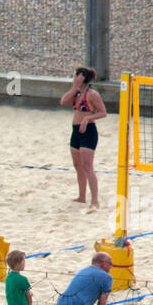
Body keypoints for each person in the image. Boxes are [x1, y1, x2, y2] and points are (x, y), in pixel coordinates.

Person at [59, 67, 106, 208]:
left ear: (81, 76)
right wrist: (75, 87)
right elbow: (63, 101)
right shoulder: (77, 92)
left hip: (88, 132)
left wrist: (87, 119)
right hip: (76, 131)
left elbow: (103, 112)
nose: (73, 77)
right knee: (78, 166)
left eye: (74, 76)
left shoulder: (92, 94)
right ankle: (81, 197)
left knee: (87, 166)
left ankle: (95, 201)